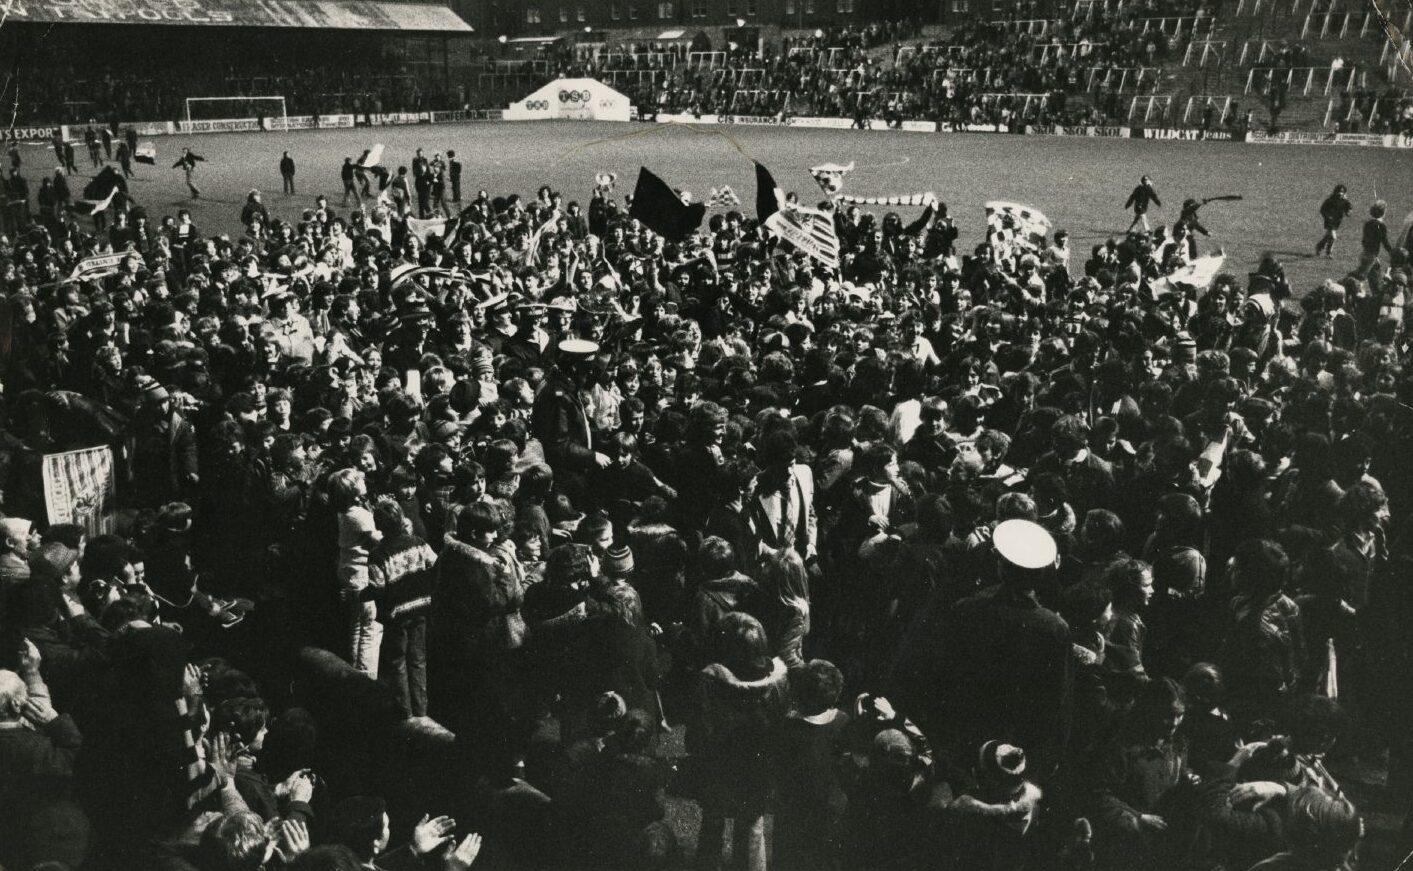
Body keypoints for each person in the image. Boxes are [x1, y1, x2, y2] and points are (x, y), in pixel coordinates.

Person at [688, 612, 790, 871]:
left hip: (717, 765)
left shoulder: (709, 681)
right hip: (758, 767)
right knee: (753, 828)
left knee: (712, 823)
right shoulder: (778, 681)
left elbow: (699, 730)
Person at [1316, 184, 1352, 258]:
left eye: (1342, 192)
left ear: (1344, 193)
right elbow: (1322, 210)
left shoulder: (1345, 202)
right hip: (1329, 221)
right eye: (1339, 191)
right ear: (1335, 192)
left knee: (1327, 236)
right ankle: (1329, 253)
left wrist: (1348, 212)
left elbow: (1348, 209)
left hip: (1337, 221)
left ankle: (1319, 246)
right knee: (1333, 237)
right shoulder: (1330, 200)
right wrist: (1327, 216)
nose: (1340, 193)